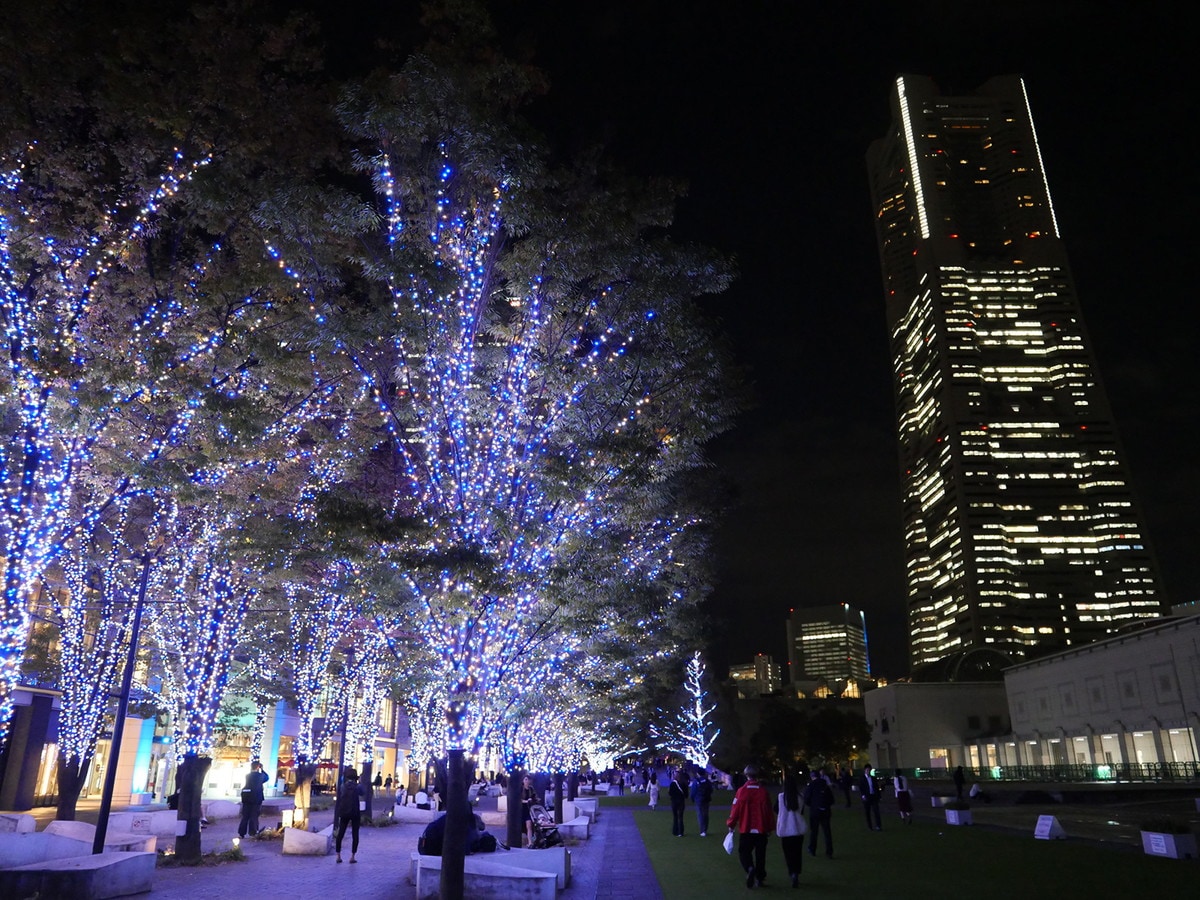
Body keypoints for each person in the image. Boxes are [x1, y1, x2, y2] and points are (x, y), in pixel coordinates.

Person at [726, 764, 775, 889]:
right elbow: (768, 811)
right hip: (761, 828)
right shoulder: (763, 791)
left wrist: (731, 824)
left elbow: (735, 809)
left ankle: (749, 868)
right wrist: (770, 827)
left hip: (746, 827)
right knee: (761, 854)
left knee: (744, 852)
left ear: (746, 775)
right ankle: (760, 877)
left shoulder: (742, 791)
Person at [776, 771, 806, 888]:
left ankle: (792, 872)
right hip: (798, 829)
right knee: (797, 853)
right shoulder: (800, 797)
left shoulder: (781, 797)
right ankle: (796, 873)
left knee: (788, 854)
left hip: (785, 829)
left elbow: (776, 809)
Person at [800, 768, 834, 859]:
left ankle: (812, 849)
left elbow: (806, 799)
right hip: (825, 811)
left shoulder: (811, 785)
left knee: (814, 832)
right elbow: (831, 799)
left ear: (812, 777)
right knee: (827, 832)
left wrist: (813, 804)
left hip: (815, 811)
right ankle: (829, 851)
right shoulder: (825, 785)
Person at [334, 767, 363, 864]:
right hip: (355, 812)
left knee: (341, 833)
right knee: (355, 834)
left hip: (344, 811)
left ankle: (338, 855)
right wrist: (360, 782)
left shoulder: (343, 786)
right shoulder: (357, 787)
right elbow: (363, 792)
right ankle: (352, 856)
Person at [237, 760, 269, 838]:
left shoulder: (247, 775)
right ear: (258, 767)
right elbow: (267, 777)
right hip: (256, 798)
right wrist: (262, 769)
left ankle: (242, 832)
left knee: (245, 816)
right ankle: (253, 831)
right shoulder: (260, 776)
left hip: (247, 798)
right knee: (254, 815)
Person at [859, 765, 882, 831]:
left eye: (869, 770)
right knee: (867, 812)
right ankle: (870, 826)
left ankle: (878, 826)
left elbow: (877, 788)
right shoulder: (862, 778)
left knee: (876, 811)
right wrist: (863, 796)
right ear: (865, 770)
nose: (868, 771)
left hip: (873, 796)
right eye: (867, 770)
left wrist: (879, 796)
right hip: (867, 796)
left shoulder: (873, 778)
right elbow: (861, 788)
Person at [691, 771, 713, 836]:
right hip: (706, 799)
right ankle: (705, 829)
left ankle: (702, 830)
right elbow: (711, 789)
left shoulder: (696, 781)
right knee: (706, 814)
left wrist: (693, 798)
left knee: (700, 815)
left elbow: (693, 791)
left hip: (699, 800)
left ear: (698, 773)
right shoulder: (707, 781)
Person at [520, 775, 538, 848]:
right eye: (526, 779)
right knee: (521, 827)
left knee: (529, 826)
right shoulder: (521, 789)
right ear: (523, 781)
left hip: (529, 810)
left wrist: (533, 800)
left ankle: (530, 842)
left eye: (528, 780)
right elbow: (518, 799)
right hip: (522, 809)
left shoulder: (531, 789)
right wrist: (525, 801)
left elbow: (535, 797)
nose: (527, 781)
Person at [669, 769, 687, 837]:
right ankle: (681, 832)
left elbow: (670, 793)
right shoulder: (683, 784)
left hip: (674, 802)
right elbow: (686, 794)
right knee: (681, 817)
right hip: (681, 801)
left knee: (675, 816)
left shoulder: (673, 784)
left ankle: (675, 831)